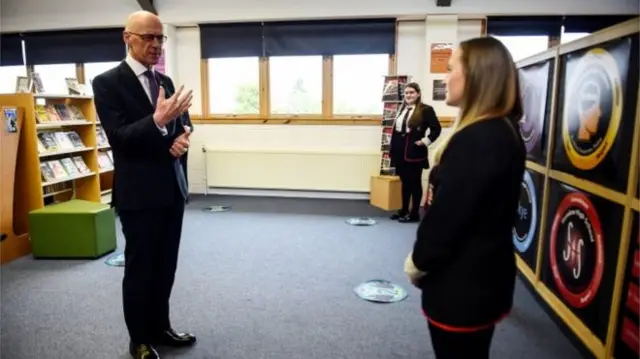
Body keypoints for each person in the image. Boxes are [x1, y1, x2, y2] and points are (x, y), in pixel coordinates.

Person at [404, 36, 526, 359]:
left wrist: (418, 263)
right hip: (484, 282)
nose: (445, 78)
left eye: (451, 69)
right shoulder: (501, 129)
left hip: (462, 289)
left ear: (475, 75)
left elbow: (448, 219)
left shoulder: (478, 139)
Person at [92, 11, 196, 359]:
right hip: (139, 194)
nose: (155, 44)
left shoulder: (164, 80)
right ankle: (138, 339)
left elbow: (183, 124)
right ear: (128, 38)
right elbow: (120, 138)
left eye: (160, 38)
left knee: (166, 265)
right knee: (141, 269)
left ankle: (160, 327)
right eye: (148, 37)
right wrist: (157, 121)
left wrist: (183, 138)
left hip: (172, 188)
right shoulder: (107, 83)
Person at [389, 82, 441, 223]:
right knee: (405, 182)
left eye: (411, 92)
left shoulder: (426, 109)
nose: (408, 95)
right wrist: (392, 150)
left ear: (418, 93)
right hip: (400, 151)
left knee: (414, 183)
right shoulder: (402, 109)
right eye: (406, 93)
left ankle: (414, 214)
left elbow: (436, 129)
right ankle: (404, 210)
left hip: (415, 152)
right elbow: (396, 131)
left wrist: (425, 141)